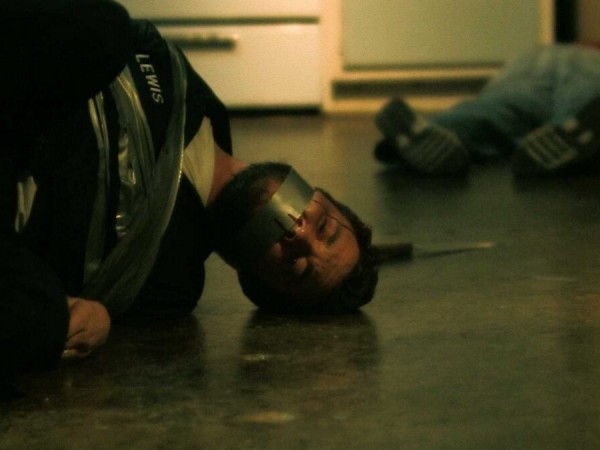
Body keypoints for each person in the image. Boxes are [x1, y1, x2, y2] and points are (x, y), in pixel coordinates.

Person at [0, 0, 379, 382]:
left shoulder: (170, 284)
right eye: (324, 228)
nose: (299, 234)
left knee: (45, 321)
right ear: (320, 195)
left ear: (254, 284)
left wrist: (95, 318)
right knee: (105, 28)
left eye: (298, 267)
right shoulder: (195, 95)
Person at [373, 44, 600, 176]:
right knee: (583, 89)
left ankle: (434, 132)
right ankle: (571, 131)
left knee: (496, 106)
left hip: (524, 73)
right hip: (542, 69)